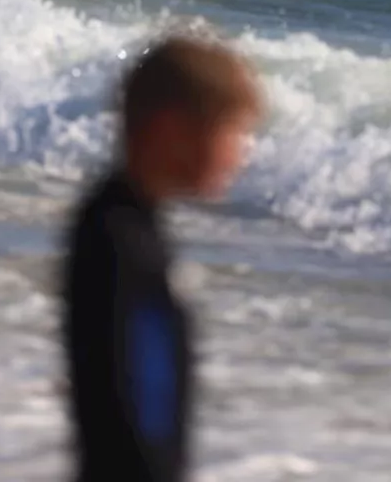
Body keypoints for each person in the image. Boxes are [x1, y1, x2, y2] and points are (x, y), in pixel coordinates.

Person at [63, 35, 261, 482]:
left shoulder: (117, 220)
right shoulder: (123, 241)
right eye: (232, 133)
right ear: (173, 130)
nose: (240, 155)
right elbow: (141, 410)